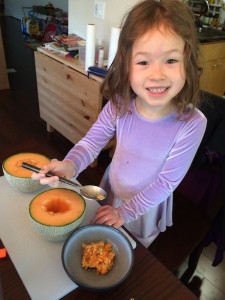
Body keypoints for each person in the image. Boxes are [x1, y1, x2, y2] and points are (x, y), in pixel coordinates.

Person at [32, 0, 207, 247]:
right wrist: (70, 165)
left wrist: (126, 212)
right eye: (143, 62)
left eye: (171, 60)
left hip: (146, 205)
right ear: (126, 65)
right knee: (104, 240)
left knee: (134, 248)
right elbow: (92, 142)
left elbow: (166, 183)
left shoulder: (192, 124)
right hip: (113, 187)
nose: (157, 74)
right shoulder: (119, 104)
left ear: (187, 63)